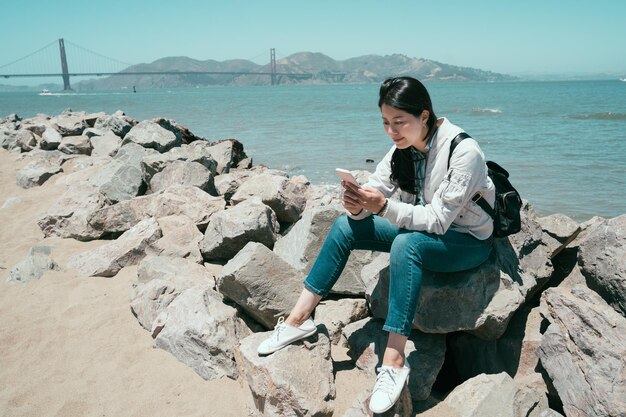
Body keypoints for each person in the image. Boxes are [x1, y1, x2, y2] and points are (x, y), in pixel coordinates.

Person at [257, 76, 495, 413]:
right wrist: (356, 203)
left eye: (399, 122)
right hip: (426, 232)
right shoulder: (403, 147)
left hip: (466, 240)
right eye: (385, 122)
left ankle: (394, 362)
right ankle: (297, 321)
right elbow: (377, 186)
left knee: (406, 246)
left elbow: (439, 220)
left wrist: (381, 206)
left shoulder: (463, 152)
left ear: (424, 116)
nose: (391, 130)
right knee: (343, 227)